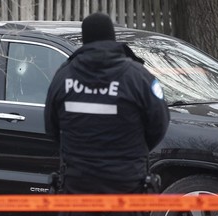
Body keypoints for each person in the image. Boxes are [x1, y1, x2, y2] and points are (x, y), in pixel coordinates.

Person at [45, 12, 170, 216]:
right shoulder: (138, 77)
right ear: (112, 37)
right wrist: (133, 152)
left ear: (84, 40)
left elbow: (51, 128)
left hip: (78, 188)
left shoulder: (63, 76)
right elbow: (159, 124)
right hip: (126, 188)